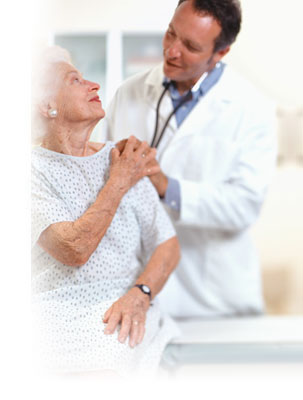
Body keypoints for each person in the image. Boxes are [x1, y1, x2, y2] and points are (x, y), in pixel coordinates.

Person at [102, 0, 277, 318]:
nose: (171, 51)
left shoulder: (253, 110)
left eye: (191, 46)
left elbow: (244, 204)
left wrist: (166, 187)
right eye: (171, 34)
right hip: (137, 290)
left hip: (214, 296)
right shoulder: (129, 93)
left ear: (219, 54)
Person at [31, 46, 180, 376]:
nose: (94, 85)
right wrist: (120, 179)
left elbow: (167, 244)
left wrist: (140, 294)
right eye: (76, 80)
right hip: (58, 317)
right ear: (47, 106)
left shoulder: (123, 155)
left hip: (129, 308)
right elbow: (74, 248)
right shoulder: (28, 172)